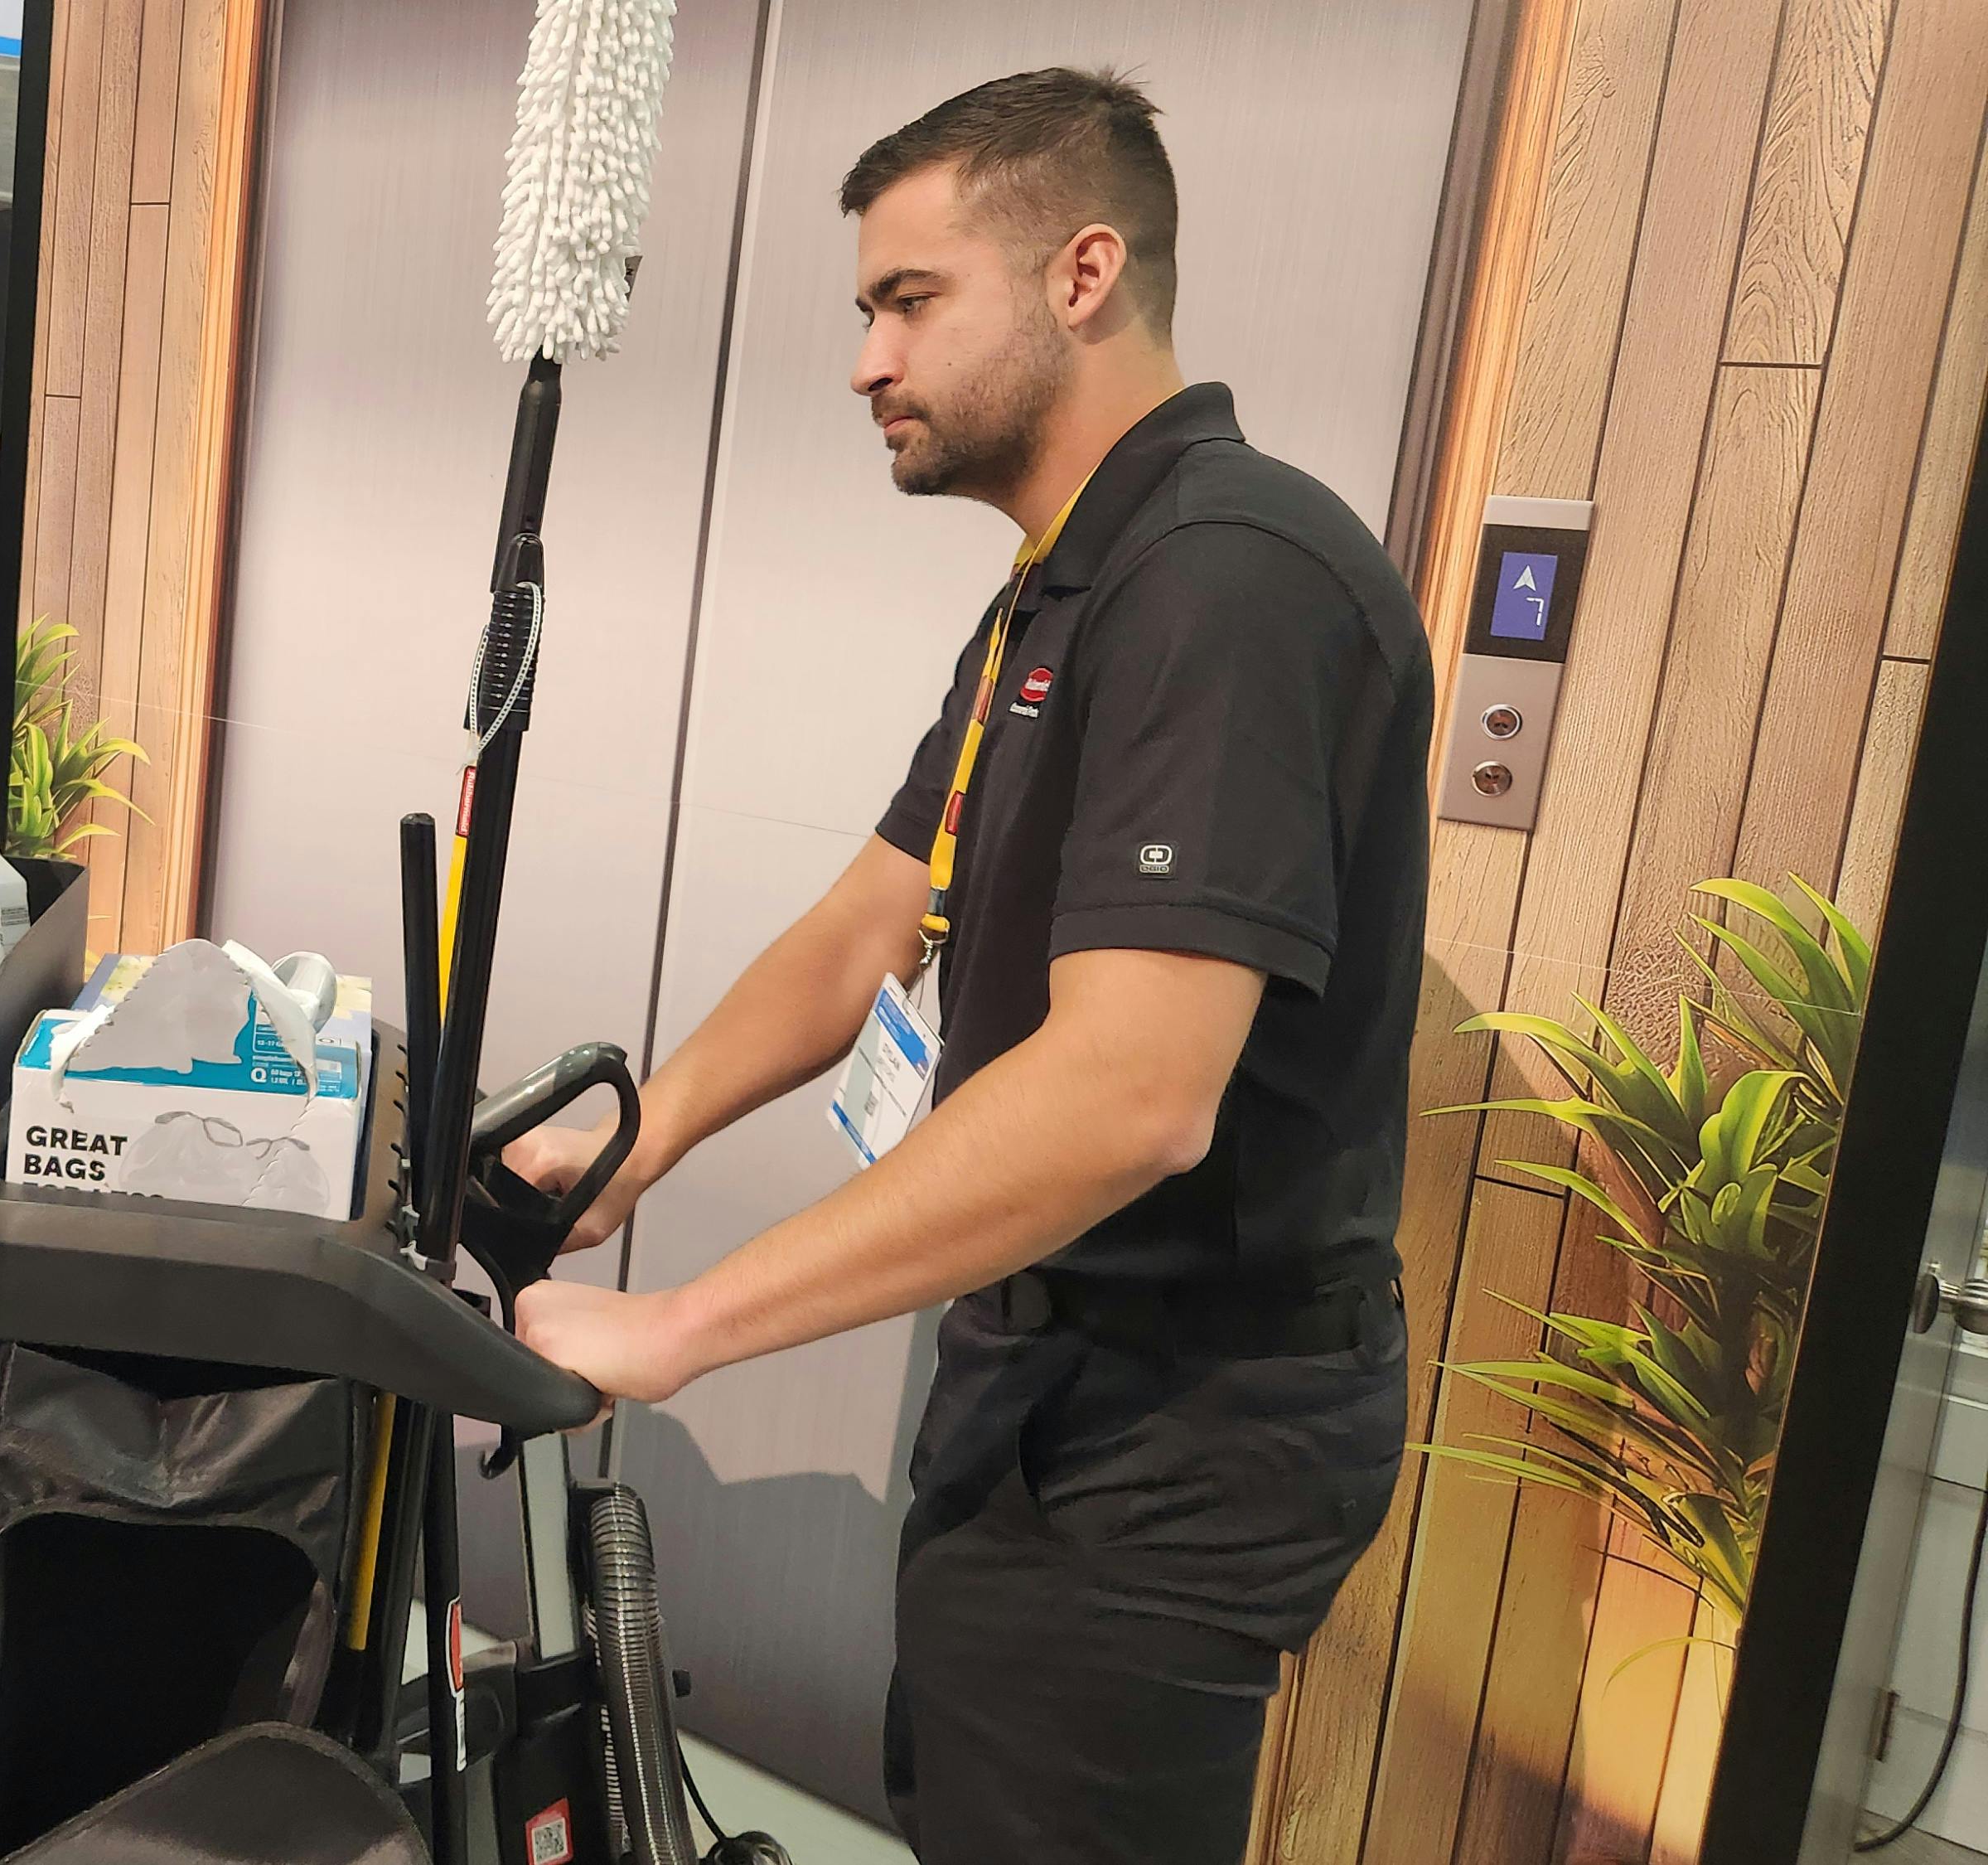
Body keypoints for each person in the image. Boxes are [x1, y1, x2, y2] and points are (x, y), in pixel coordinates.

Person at [502, 70, 1430, 1862]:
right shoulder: (1055, 592)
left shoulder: (1226, 583)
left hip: (1177, 1423)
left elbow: (1129, 1097)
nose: (864, 358)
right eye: (867, 308)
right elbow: (871, 921)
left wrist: (684, 1330)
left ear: (1081, 272)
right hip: (1036, 1373)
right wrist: (639, 1137)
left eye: (907, 301)